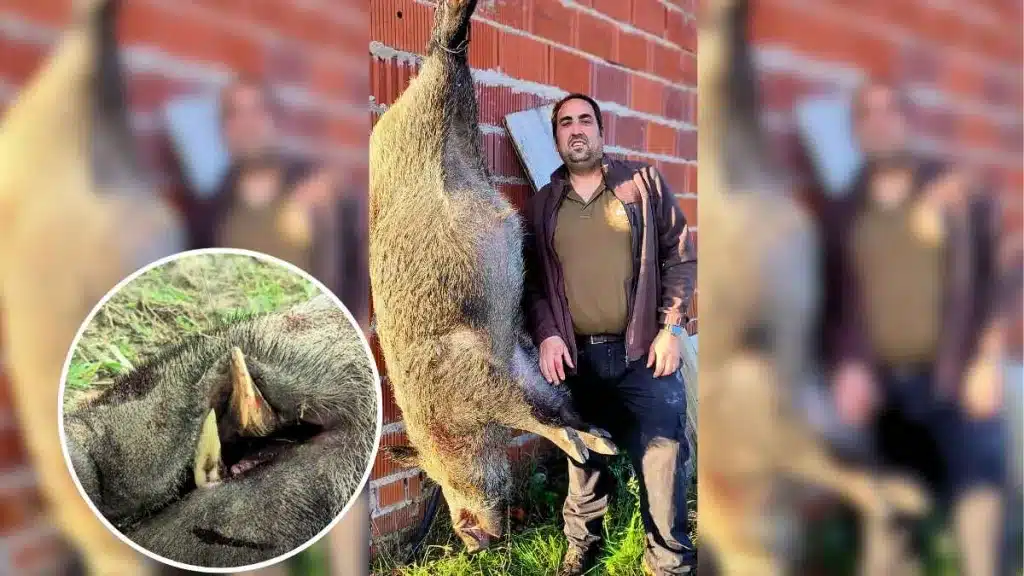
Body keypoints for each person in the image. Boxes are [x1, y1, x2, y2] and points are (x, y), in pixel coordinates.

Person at [825, 80, 1009, 576]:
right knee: (886, 543)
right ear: (857, 131)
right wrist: (847, 367)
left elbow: (995, 278)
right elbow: (838, 304)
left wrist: (987, 359)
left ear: (909, 121)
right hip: (885, 395)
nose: (879, 121)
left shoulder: (953, 193)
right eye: (868, 114)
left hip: (958, 382)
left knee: (979, 530)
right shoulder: (845, 210)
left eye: (890, 110)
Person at [523, 93, 697, 575]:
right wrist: (547, 336)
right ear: (556, 137)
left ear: (601, 131)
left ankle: (668, 561)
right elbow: (535, 285)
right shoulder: (541, 205)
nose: (576, 130)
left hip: (644, 352)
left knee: (663, 458)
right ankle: (582, 545)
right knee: (583, 460)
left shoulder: (642, 184)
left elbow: (679, 256)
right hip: (577, 359)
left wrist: (670, 327)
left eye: (585, 121)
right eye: (565, 124)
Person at [185, 78, 338, 274]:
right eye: (234, 114)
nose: (246, 124)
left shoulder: (316, 190)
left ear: (276, 121)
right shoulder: (209, 214)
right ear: (223, 130)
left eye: (256, 111)